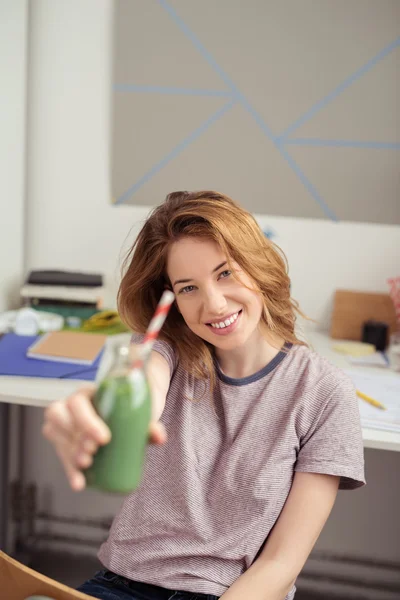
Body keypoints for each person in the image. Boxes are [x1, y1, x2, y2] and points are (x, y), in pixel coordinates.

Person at [42, 190, 365, 600]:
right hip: (120, 586)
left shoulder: (324, 393)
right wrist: (109, 413)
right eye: (188, 287)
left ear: (258, 266)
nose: (213, 303)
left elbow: (280, 566)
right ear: (171, 299)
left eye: (225, 273)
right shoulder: (165, 351)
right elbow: (143, 385)